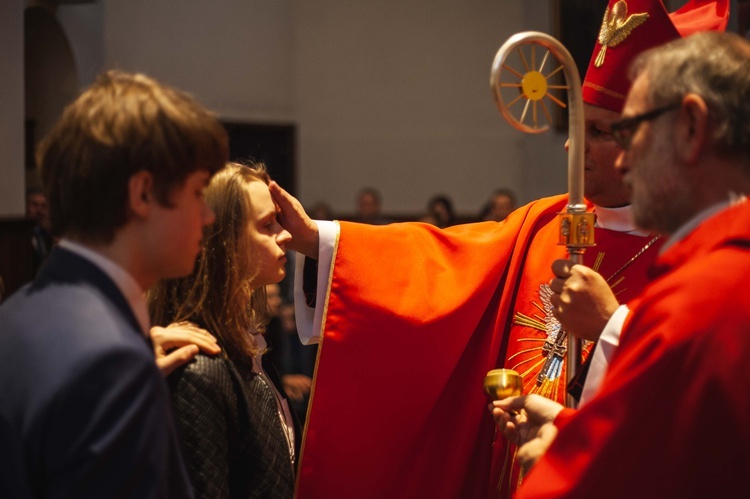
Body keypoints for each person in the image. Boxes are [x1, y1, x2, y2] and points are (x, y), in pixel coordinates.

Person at [269, 1, 729, 498]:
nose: (574, 149)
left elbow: (703, 395)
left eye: (598, 132)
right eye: (576, 127)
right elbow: (441, 265)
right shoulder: (546, 221)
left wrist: (611, 326)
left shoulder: (696, 246)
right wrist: (321, 240)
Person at [493, 30, 750, 498]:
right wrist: (571, 429)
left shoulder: (716, 289)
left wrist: (562, 464)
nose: (626, 161)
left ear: (691, 129)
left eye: (628, 132)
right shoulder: (712, 263)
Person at [0, 70, 228, 497]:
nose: (208, 216)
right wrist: (128, 372)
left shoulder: (18, 310)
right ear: (142, 194)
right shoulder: (109, 364)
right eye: (198, 192)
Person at [148, 162, 299, 499]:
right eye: (267, 224)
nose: (286, 233)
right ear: (223, 241)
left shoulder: (251, 347)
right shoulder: (197, 368)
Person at [26, 186, 53, 272]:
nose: (39, 211)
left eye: (43, 206)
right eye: (34, 205)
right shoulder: (21, 235)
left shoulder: (48, 234)